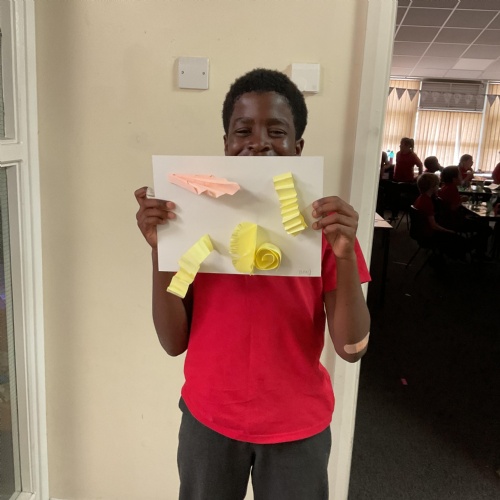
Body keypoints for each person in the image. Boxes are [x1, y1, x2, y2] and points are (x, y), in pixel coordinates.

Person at [134, 68, 371, 500]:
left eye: (276, 131)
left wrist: (344, 256)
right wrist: (160, 251)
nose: (258, 142)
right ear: (226, 144)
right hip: (209, 419)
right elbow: (172, 342)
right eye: (243, 131)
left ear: (298, 148)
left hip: (296, 428)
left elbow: (351, 349)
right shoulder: (193, 220)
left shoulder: (327, 228)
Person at [438, 166, 491, 259]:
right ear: (454, 179)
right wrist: (460, 201)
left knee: (481, 224)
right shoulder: (452, 189)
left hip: (446, 220)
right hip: (455, 221)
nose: (461, 177)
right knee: (486, 229)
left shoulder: (444, 187)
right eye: (459, 176)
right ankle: (468, 247)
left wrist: (460, 200)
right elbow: (453, 208)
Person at [413, 173, 467, 260]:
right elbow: (434, 226)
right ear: (432, 186)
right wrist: (449, 231)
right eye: (437, 185)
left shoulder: (421, 198)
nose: (439, 187)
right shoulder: (427, 202)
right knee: (461, 241)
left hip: (421, 233)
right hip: (428, 235)